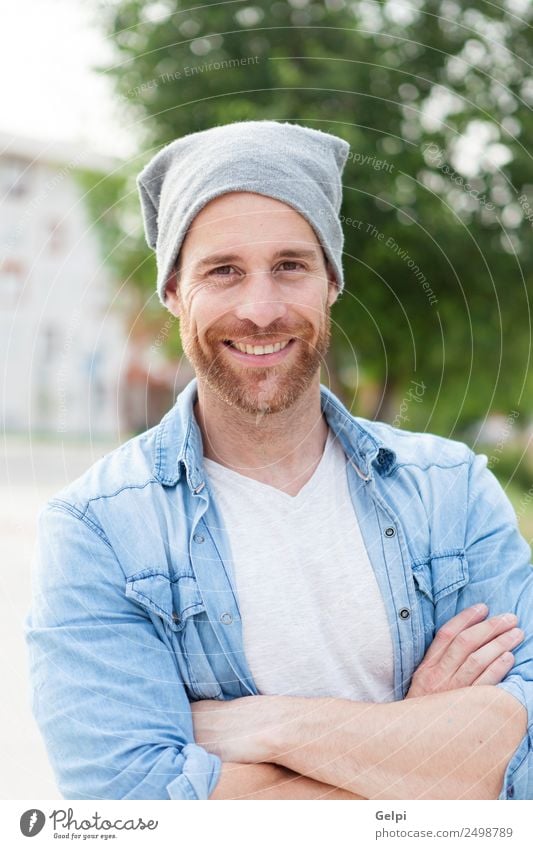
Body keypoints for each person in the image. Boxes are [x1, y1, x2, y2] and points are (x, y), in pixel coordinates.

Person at [25, 121, 532, 801]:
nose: (259, 309)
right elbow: (131, 809)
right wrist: (423, 740)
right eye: (223, 270)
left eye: (289, 265)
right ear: (175, 291)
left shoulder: (452, 490)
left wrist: (270, 729)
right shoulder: (97, 531)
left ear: (331, 281)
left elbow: (522, 763)